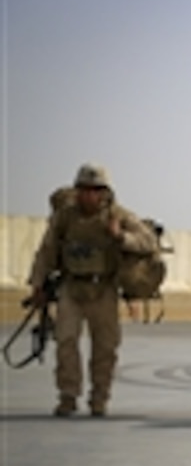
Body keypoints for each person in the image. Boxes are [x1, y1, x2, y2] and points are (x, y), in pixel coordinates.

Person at [27, 164, 158, 417]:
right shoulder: (64, 217)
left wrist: (121, 237)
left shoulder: (117, 215)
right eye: (84, 190)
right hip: (72, 287)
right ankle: (68, 395)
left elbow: (148, 240)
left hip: (103, 289)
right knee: (65, 342)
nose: (89, 196)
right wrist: (37, 283)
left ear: (104, 192)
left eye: (95, 190)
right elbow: (46, 251)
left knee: (105, 347)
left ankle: (99, 398)